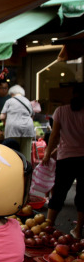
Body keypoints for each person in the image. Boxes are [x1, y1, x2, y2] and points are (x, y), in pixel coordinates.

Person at [43, 82, 84, 239]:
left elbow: (54, 135)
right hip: (83, 159)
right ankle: (78, 230)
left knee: (58, 193)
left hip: (66, 158)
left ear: (72, 94)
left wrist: (47, 154)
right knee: (82, 196)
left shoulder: (61, 111)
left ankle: (48, 227)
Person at [0, 85, 35, 161]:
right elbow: (32, 115)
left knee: (13, 153)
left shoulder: (9, 101)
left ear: (12, 93)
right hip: (28, 129)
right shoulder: (27, 101)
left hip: (13, 129)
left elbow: (2, 116)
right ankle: (26, 170)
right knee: (26, 155)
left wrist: (4, 123)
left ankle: (15, 171)